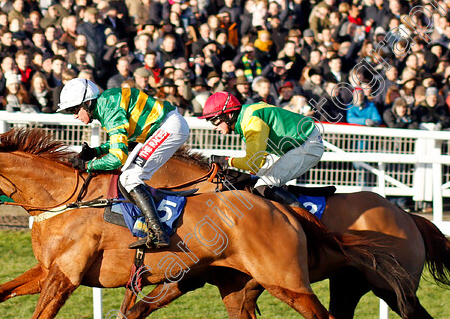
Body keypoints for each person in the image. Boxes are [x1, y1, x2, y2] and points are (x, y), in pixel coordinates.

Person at [57, 78, 190, 249]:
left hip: (168, 126)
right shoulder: (106, 103)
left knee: (129, 177)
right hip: (162, 127)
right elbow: (124, 141)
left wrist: (87, 166)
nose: (74, 115)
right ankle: (149, 223)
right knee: (127, 175)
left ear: (88, 102)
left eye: (75, 109)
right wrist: (96, 152)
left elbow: (117, 157)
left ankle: (158, 232)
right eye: (70, 111)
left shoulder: (108, 108)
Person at [203, 91, 324, 207]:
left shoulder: (251, 122)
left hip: (306, 144)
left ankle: (307, 221)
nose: (214, 127)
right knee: (256, 183)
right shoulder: (246, 117)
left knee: (262, 187)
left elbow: (252, 163)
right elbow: (258, 162)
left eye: (215, 121)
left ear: (229, 115)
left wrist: (225, 160)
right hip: (295, 145)